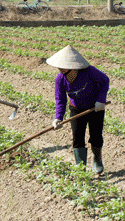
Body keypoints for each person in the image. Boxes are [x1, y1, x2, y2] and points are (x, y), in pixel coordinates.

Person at [46, 45, 110, 174]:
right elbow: (60, 99)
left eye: (63, 69)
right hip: (76, 109)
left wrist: (101, 100)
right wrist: (58, 117)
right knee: (78, 137)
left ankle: (97, 159)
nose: (60, 71)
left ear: (72, 68)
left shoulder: (89, 71)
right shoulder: (60, 80)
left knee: (96, 135)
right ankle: (80, 169)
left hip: (95, 108)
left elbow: (105, 80)